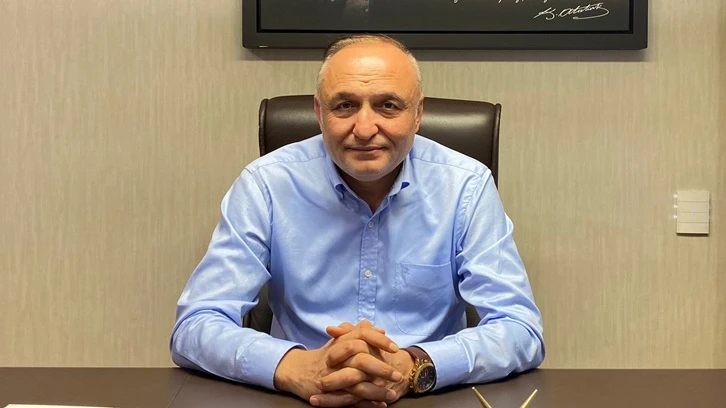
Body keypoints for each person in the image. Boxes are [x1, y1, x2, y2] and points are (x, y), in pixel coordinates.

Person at [170, 34, 544, 408]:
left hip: (424, 397)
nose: (364, 129)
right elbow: (195, 325)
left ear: (417, 114)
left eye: (388, 106)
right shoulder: (265, 184)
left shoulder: (466, 186)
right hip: (301, 398)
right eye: (345, 106)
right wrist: (293, 366)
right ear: (319, 112)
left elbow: (519, 328)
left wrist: (414, 366)